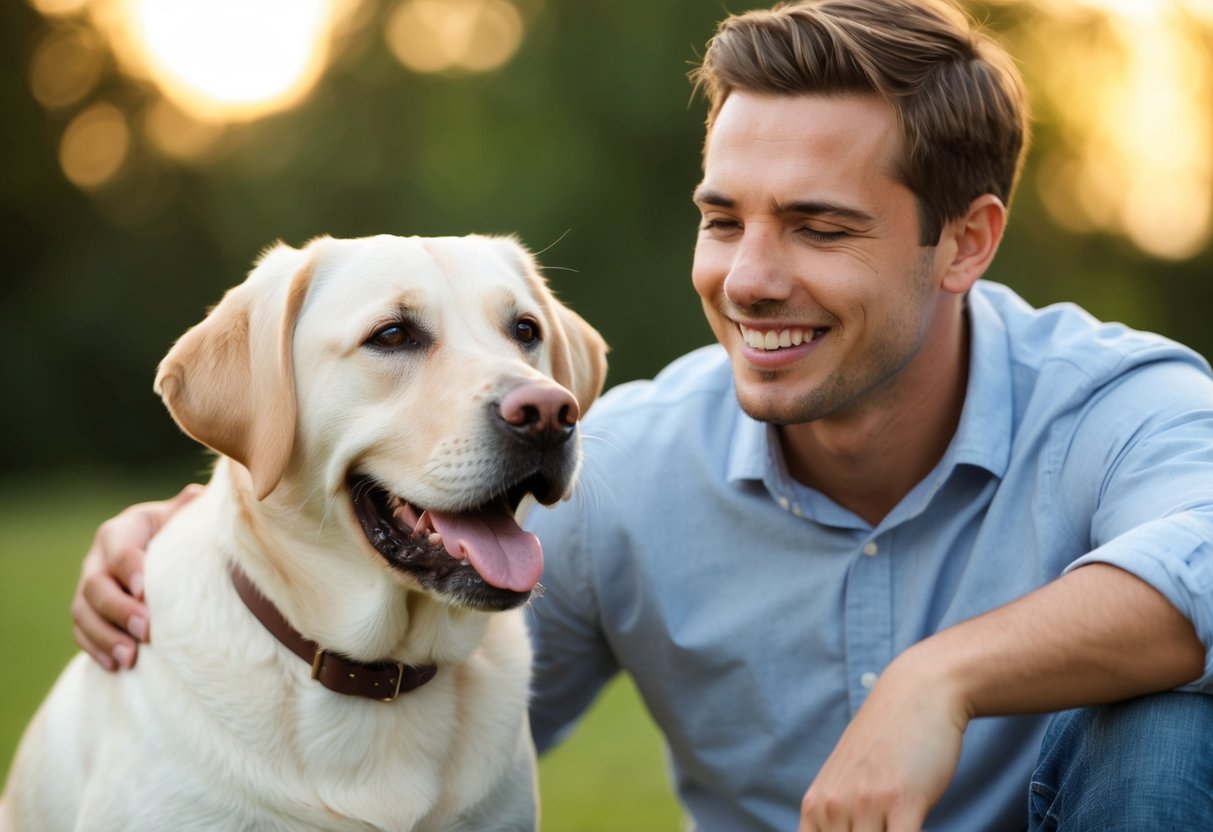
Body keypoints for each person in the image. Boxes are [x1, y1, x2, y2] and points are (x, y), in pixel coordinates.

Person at [72, 0, 1213, 829]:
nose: (750, 278)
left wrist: (941, 677)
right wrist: (198, 546)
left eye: (818, 227)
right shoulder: (622, 467)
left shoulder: (1116, 403)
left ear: (964, 240)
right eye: (724, 220)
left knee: (1174, 725)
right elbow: (398, 608)